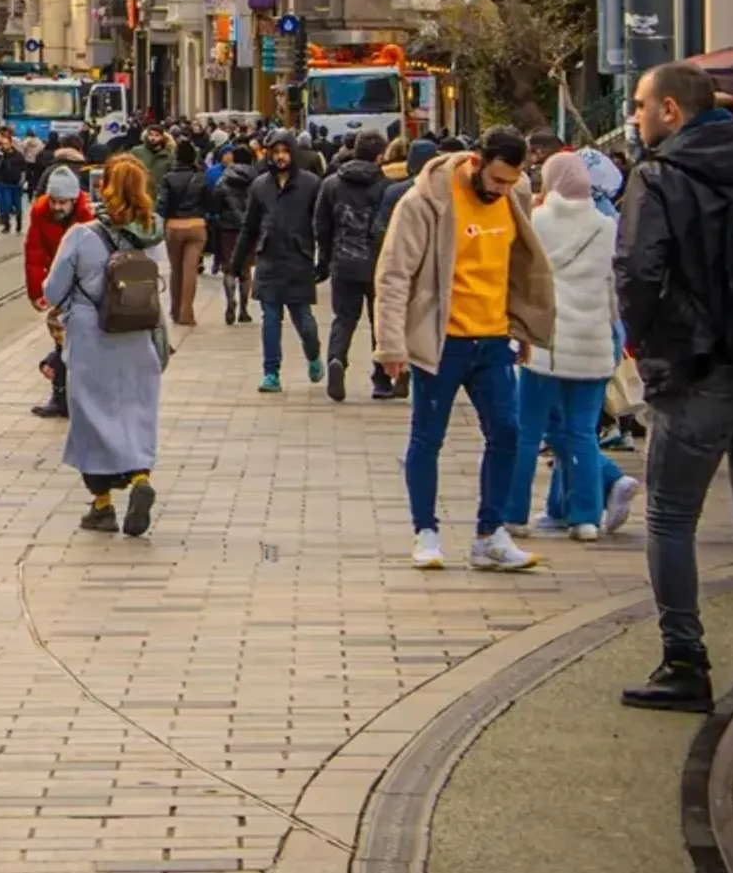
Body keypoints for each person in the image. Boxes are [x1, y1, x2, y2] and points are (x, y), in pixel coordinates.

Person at [614, 61, 733, 712]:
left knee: (669, 518)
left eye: (640, 105)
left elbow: (638, 271)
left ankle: (684, 661)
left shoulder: (660, 177)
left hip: (699, 370)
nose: (635, 117)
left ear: (671, 109)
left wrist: (647, 351)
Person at [375, 127, 555, 574]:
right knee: (427, 437)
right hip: (443, 340)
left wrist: (524, 330)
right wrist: (391, 343)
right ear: (476, 160)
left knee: (507, 432)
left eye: (512, 182)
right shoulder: (425, 202)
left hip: (494, 338)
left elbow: (518, 269)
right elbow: (394, 274)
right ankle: (426, 532)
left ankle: (490, 534)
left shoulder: (515, 197)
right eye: (497, 180)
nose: (503, 190)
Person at [44, 155, 165, 536]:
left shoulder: (82, 235)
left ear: (105, 188)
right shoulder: (152, 236)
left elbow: (52, 290)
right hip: (139, 338)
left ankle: (102, 506)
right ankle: (141, 479)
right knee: (135, 412)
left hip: (92, 340)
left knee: (93, 418)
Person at [504, 151, 619, 542]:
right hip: (593, 344)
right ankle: (585, 518)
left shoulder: (537, 222)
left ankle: (514, 513)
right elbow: (613, 291)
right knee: (583, 433)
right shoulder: (607, 227)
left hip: (545, 344)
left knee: (526, 431)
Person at [234, 132, 324, 395]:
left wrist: (324, 259)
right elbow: (249, 226)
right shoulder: (260, 185)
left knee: (303, 318)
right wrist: (238, 260)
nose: (281, 156)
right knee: (270, 318)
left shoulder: (310, 184)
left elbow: (322, 224)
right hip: (269, 259)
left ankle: (313, 354)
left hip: (299, 259)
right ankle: (271, 372)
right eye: (276, 151)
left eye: (285, 151)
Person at [315, 129, 393, 402]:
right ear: (380, 155)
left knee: (344, 318)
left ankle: (337, 359)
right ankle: (382, 379)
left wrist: (325, 258)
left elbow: (321, 225)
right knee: (379, 322)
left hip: (343, 260)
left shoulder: (332, 184)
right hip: (377, 264)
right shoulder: (386, 186)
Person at [26, 164, 93, 418]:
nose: (56, 207)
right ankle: (60, 394)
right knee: (59, 337)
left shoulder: (87, 215)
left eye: (62, 202)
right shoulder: (41, 211)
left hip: (84, 285)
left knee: (81, 341)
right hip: (59, 281)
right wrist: (36, 291)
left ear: (74, 199)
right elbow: (34, 251)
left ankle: (74, 394)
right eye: (54, 201)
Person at [158, 140, 211, 328]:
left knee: (176, 270)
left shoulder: (168, 178)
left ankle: (174, 310)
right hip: (197, 226)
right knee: (190, 271)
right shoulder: (202, 177)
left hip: (174, 226)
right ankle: (186, 314)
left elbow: (162, 205)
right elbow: (209, 203)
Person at [211, 144, 257, 326]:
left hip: (227, 229)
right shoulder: (258, 179)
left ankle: (230, 300)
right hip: (250, 229)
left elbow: (215, 205)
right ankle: (244, 310)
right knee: (245, 270)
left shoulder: (224, 180)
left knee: (229, 268)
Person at [0, 130, 27, 234]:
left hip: (16, 185)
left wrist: (22, 181)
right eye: (3, 144)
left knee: (18, 206)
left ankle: (19, 224)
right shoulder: (1, 155)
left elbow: (23, 169)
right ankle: (7, 225)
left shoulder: (18, 155)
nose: (4, 146)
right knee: (6, 205)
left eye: (6, 144)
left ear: (10, 144)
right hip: (4, 183)